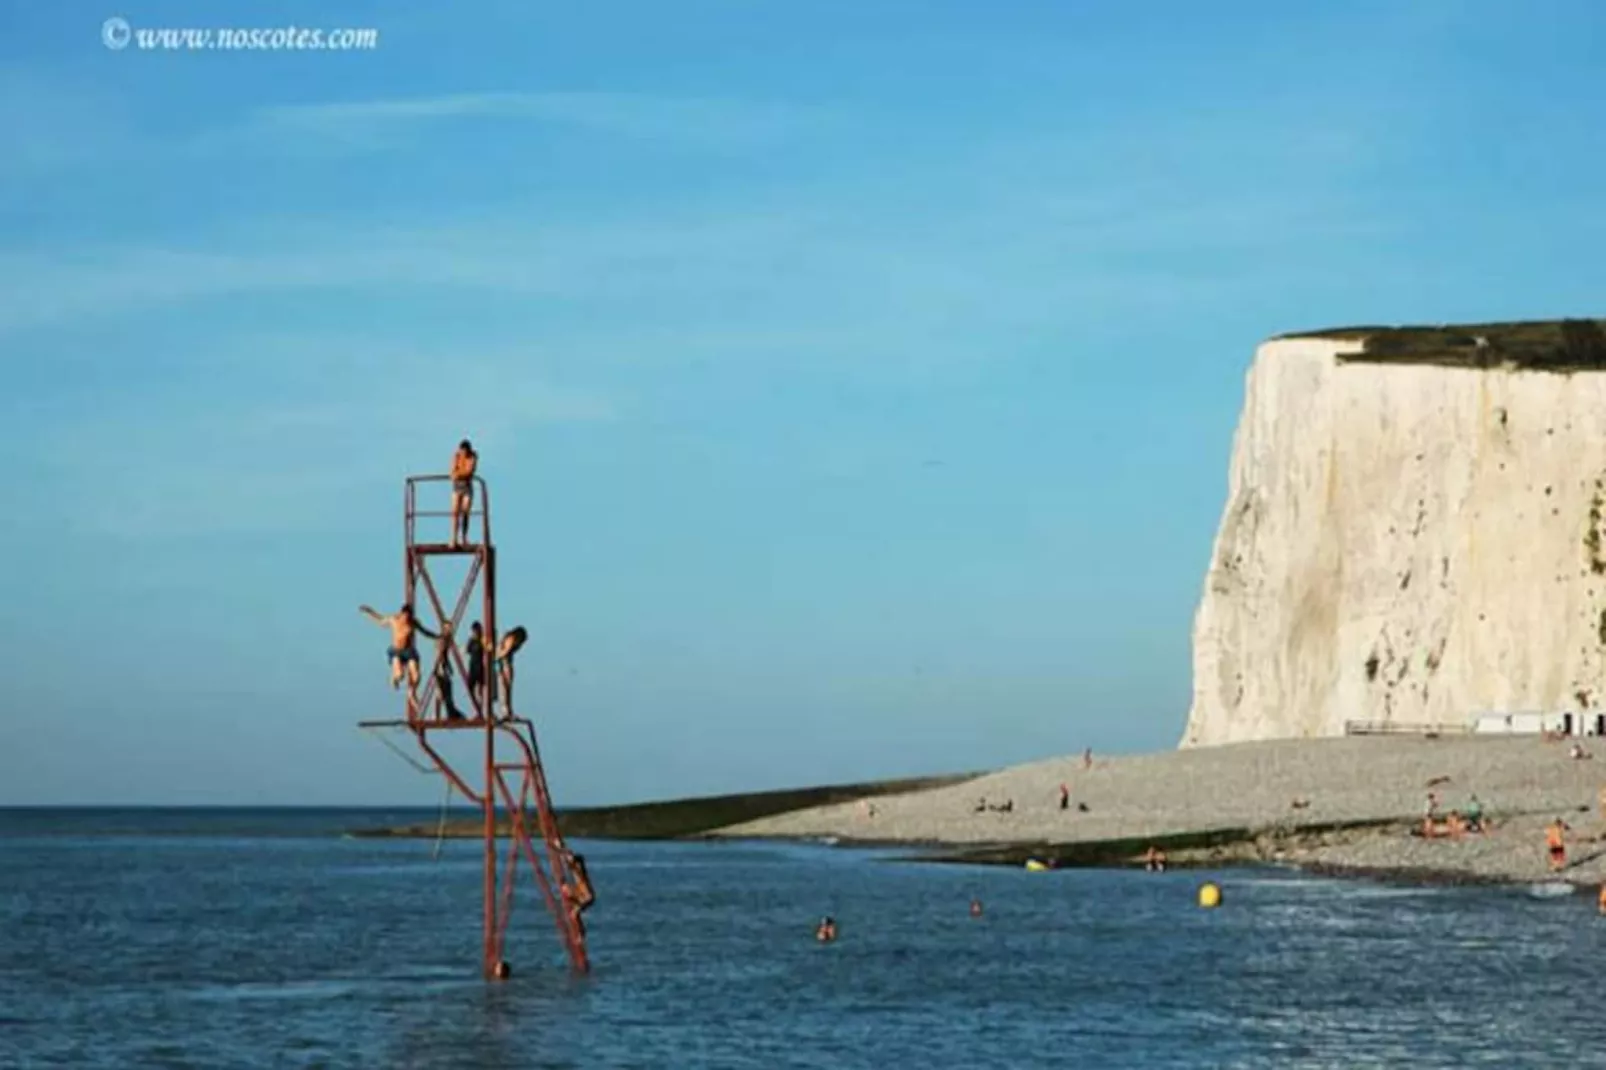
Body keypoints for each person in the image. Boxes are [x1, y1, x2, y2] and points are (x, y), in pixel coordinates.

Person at [359, 603, 445, 704]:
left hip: (409, 651)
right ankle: (393, 677)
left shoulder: (413, 622)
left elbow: (425, 632)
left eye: (409, 617)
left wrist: (438, 636)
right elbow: (380, 620)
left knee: (416, 676)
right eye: (405, 617)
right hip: (397, 651)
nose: (406, 620)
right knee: (400, 675)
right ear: (402, 614)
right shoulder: (394, 619)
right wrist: (369, 612)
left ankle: (411, 692)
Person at [449, 439, 478, 548]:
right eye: (462, 452)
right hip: (457, 487)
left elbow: (469, 471)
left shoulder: (473, 456)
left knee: (465, 513)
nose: (463, 454)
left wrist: (458, 474)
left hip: (467, 487)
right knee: (455, 513)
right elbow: (452, 472)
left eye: (465, 452)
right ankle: (454, 539)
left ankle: (464, 538)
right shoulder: (456, 456)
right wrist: (458, 473)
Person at [495, 625, 528, 718]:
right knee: (505, 689)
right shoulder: (511, 639)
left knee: (505, 689)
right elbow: (504, 651)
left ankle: (507, 712)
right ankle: (506, 712)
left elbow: (502, 650)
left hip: (504, 664)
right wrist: (496, 657)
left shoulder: (507, 637)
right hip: (504, 665)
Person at [464, 621, 488, 717]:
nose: (475, 632)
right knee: (470, 687)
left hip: (480, 666)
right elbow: (467, 650)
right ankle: (478, 709)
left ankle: (480, 710)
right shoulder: (472, 640)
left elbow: (487, 649)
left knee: (480, 689)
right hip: (473, 665)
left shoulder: (482, 640)